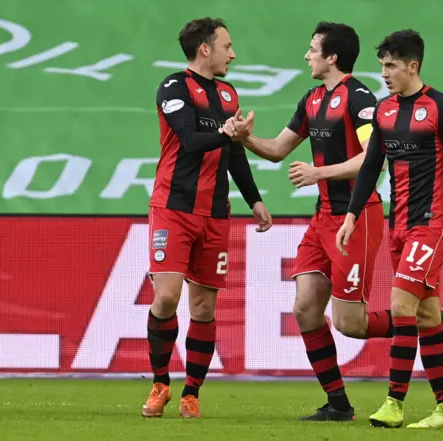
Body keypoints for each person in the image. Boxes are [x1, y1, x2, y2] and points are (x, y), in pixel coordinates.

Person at [226, 22, 443, 422]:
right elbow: (278, 150)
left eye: (312, 49)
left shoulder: (359, 99)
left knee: (350, 324)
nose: (306, 56)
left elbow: (371, 158)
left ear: (331, 57)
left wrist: (320, 174)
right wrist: (245, 139)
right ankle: (338, 403)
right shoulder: (312, 99)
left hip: (358, 217)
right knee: (305, 309)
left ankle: (435, 319)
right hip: (321, 219)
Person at [336, 29, 443, 429]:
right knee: (425, 316)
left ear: (412, 66)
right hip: (398, 226)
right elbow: (371, 166)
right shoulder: (384, 110)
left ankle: (394, 403)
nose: (384, 73)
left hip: (434, 226)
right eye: (382, 65)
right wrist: (352, 216)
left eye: (391, 66)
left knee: (402, 307)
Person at [142, 17, 272, 420]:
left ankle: (191, 393)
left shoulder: (229, 95)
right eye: (226, 46)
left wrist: (254, 200)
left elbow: (234, 155)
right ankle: (160, 382)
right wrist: (229, 132)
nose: (232, 53)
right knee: (166, 297)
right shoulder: (173, 87)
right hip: (174, 209)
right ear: (205, 48)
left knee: (203, 310)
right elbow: (189, 139)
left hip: (216, 214)